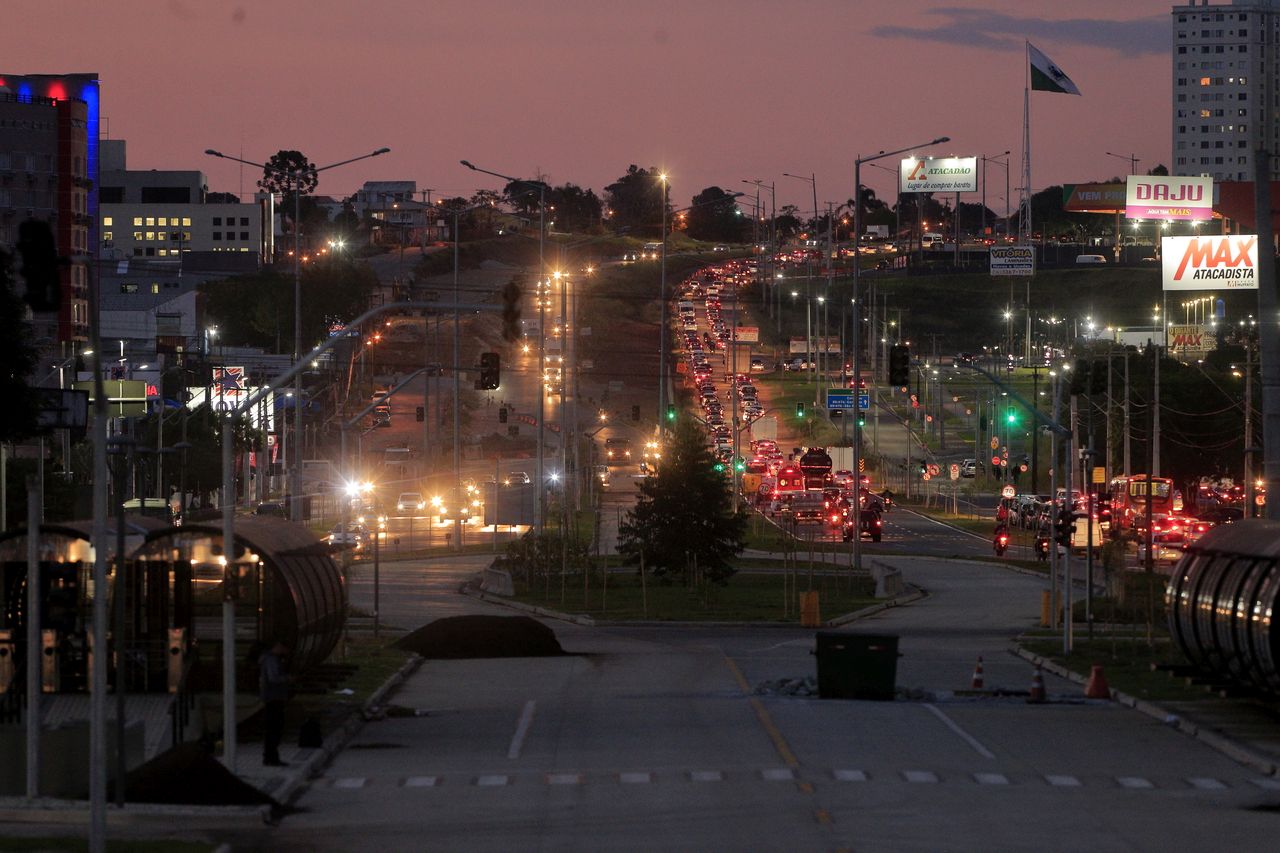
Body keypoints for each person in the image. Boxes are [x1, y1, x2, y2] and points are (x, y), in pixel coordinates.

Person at [259, 640, 291, 767]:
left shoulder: (272, 659)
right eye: (284, 648)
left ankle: (271, 756)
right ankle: (271, 757)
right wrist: (287, 678)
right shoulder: (271, 660)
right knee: (274, 729)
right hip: (273, 698)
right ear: (278, 646)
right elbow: (273, 678)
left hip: (274, 698)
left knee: (274, 729)